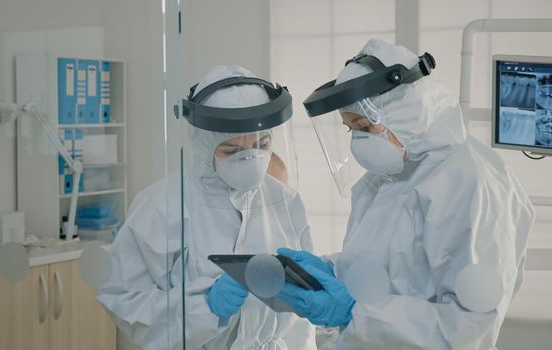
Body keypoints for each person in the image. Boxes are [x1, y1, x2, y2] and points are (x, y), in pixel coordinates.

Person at [276, 39, 535, 349]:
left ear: (405, 112)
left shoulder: (471, 183)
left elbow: (468, 326)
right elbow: (385, 270)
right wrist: (330, 273)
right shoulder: (386, 178)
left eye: (365, 127)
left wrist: (353, 312)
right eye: (351, 129)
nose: (358, 142)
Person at [98, 65, 317, 349]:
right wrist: (204, 306)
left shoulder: (285, 201)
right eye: (233, 151)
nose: (250, 160)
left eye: (261, 145)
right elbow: (124, 302)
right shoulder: (160, 207)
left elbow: (301, 316)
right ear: (202, 145)